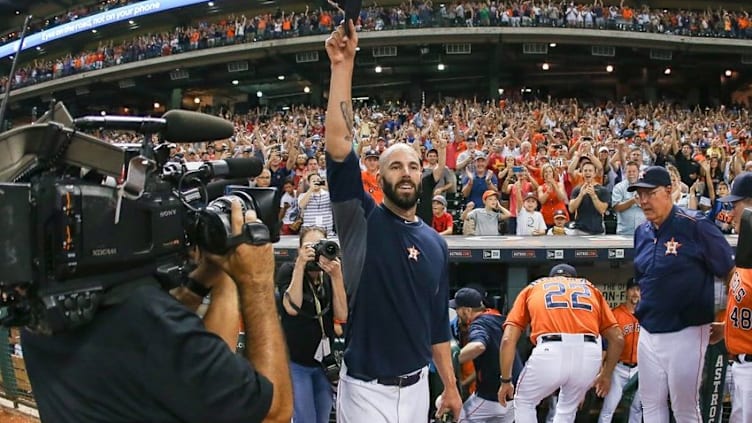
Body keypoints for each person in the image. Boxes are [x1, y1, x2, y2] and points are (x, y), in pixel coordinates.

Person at [21, 201, 293, 423]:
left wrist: (213, 277)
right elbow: (273, 412)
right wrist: (256, 283)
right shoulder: (146, 316)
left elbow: (198, 369)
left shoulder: (41, 305)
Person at [323, 21, 462, 422]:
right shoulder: (360, 219)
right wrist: (342, 66)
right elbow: (338, 144)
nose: (405, 172)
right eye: (395, 165)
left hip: (418, 387)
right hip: (366, 389)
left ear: (423, 175)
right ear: (380, 175)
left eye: (414, 166)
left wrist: (450, 388)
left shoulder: (436, 243)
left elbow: (438, 328)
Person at [629, 166, 735, 422]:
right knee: (650, 405)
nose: (643, 201)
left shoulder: (696, 226)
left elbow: (731, 274)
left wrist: (731, 319)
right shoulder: (641, 232)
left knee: (685, 408)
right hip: (649, 330)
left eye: (650, 193)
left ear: (669, 191)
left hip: (686, 330)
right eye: (639, 194)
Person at [498, 263, 623, 423]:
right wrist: (606, 375)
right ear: (574, 279)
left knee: (524, 401)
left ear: (552, 278)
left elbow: (508, 339)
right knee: (567, 409)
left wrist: (506, 381)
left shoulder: (534, 287)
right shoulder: (590, 288)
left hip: (551, 348)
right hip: (589, 352)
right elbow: (618, 339)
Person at [277, 226, 348, 423]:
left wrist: (337, 276)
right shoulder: (289, 270)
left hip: (323, 363)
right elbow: (292, 307)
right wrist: (300, 265)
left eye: (320, 246)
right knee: (305, 418)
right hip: (296, 362)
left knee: (322, 418)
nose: (316, 252)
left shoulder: (330, 275)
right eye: (310, 247)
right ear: (300, 249)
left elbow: (342, 314)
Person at [709, 171, 752, 422]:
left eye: (736, 205)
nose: (730, 212)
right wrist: (727, 328)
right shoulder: (743, 255)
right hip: (740, 365)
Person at [452, 288, 515, 422]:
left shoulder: (478, 324)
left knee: (460, 419)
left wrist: (449, 360)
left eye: (458, 309)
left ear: (467, 310)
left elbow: (478, 346)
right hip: (513, 397)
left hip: (492, 397)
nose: (457, 313)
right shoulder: (499, 320)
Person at [597, 278, 643, 423]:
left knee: (637, 409)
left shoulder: (647, 316)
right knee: (608, 408)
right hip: (618, 368)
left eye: (639, 290)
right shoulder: (615, 314)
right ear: (627, 292)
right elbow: (605, 343)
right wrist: (602, 369)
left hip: (639, 370)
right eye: (632, 289)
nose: (635, 293)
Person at [610, 161, 645, 236]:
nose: (631, 174)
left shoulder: (645, 187)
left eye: (634, 171)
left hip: (644, 232)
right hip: (624, 232)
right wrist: (633, 201)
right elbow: (616, 207)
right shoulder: (619, 187)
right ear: (625, 173)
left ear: (638, 172)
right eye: (629, 171)